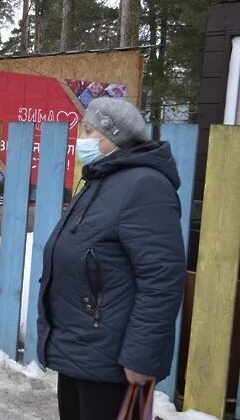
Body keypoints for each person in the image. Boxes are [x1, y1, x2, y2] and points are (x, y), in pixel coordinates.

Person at [36, 97, 186, 420]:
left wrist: (141, 357)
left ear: (113, 136)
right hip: (81, 352)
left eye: (89, 131)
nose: (82, 140)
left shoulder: (145, 186)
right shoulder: (100, 181)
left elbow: (161, 279)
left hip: (114, 364)